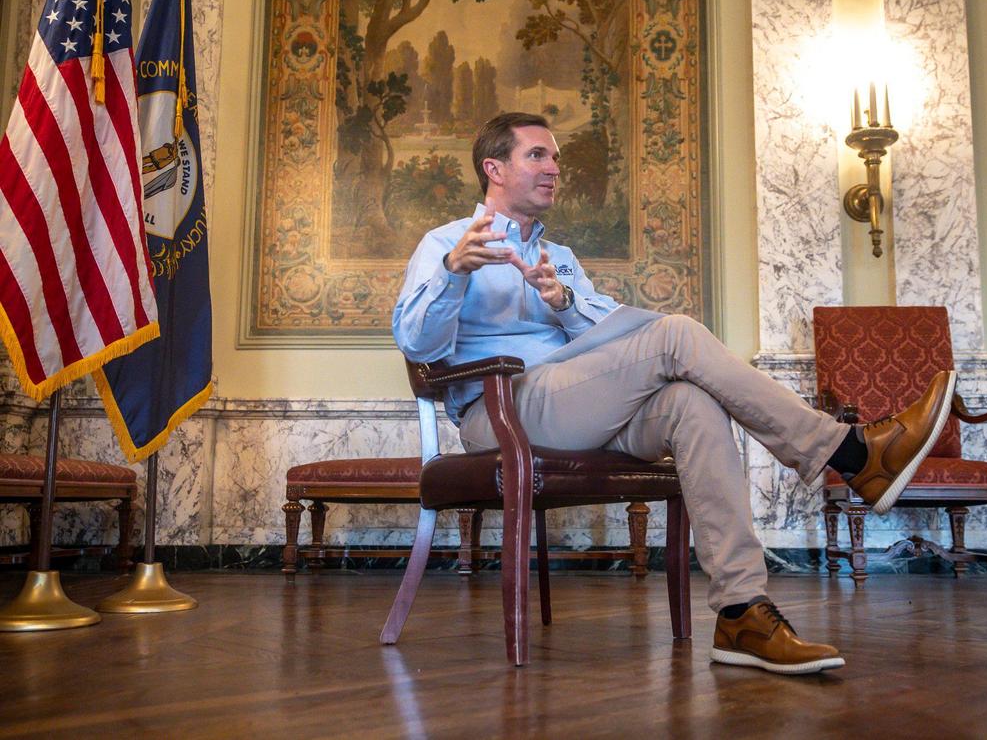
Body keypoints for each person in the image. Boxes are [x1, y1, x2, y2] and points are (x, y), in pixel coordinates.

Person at [393, 112, 956, 675]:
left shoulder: (559, 257)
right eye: (537, 155)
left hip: (576, 403)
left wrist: (565, 303)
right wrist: (454, 273)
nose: (554, 168)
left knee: (693, 403)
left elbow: (608, 342)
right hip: (500, 413)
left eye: (556, 157)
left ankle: (742, 612)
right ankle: (851, 453)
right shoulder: (444, 243)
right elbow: (418, 344)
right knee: (677, 333)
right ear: (493, 167)